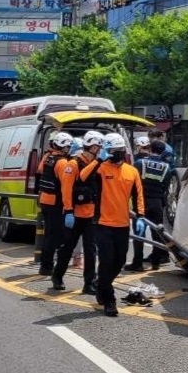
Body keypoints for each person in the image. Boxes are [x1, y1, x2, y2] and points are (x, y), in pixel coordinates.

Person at [79, 132, 145, 317]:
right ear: (108, 152)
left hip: (123, 224)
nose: (119, 154)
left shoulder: (132, 171)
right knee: (107, 261)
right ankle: (110, 300)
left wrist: (140, 216)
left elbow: (138, 195)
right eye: (115, 151)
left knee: (120, 261)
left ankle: (100, 284)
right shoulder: (100, 169)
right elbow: (83, 177)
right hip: (102, 223)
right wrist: (98, 160)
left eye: (121, 150)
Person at [51, 130, 105, 294]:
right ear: (93, 146)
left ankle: (89, 283)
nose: (100, 149)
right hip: (74, 214)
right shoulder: (73, 164)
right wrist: (68, 210)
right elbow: (66, 189)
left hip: (91, 215)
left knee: (91, 250)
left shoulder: (98, 164)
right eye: (99, 146)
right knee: (67, 248)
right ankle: (57, 276)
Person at [125, 139, 172, 272]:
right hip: (157, 202)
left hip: (141, 201)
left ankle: (137, 262)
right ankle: (156, 262)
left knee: (139, 233)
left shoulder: (140, 163)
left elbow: (132, 182)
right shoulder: (167, 167)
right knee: (156, 233)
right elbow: (166, 187)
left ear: (150, 148)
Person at [37, 131, 77, 277]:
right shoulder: (62, 162)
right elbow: (66, 185)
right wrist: (68, 208)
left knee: (49, 235)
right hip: (55, 202)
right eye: (68, 146)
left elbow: (40, 170)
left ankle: (45, 264)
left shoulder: (48, 157)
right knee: (54, 237)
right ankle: (47, 266)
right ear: (64, 147)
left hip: (44, 200)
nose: (70, 149)